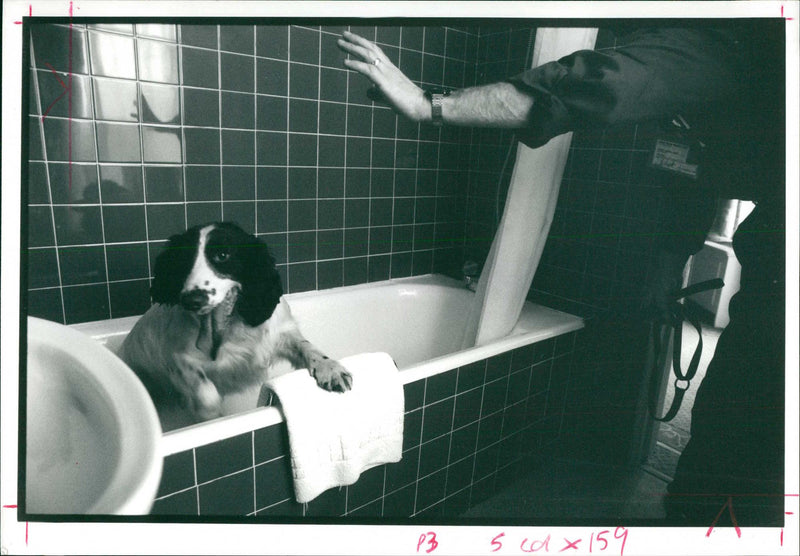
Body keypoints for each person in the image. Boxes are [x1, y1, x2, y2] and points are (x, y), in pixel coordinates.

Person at [338, 23, 786, 527]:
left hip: (774, 311)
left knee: (733, 466)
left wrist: (431, 104)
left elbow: (601, 83)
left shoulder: (744, 33)